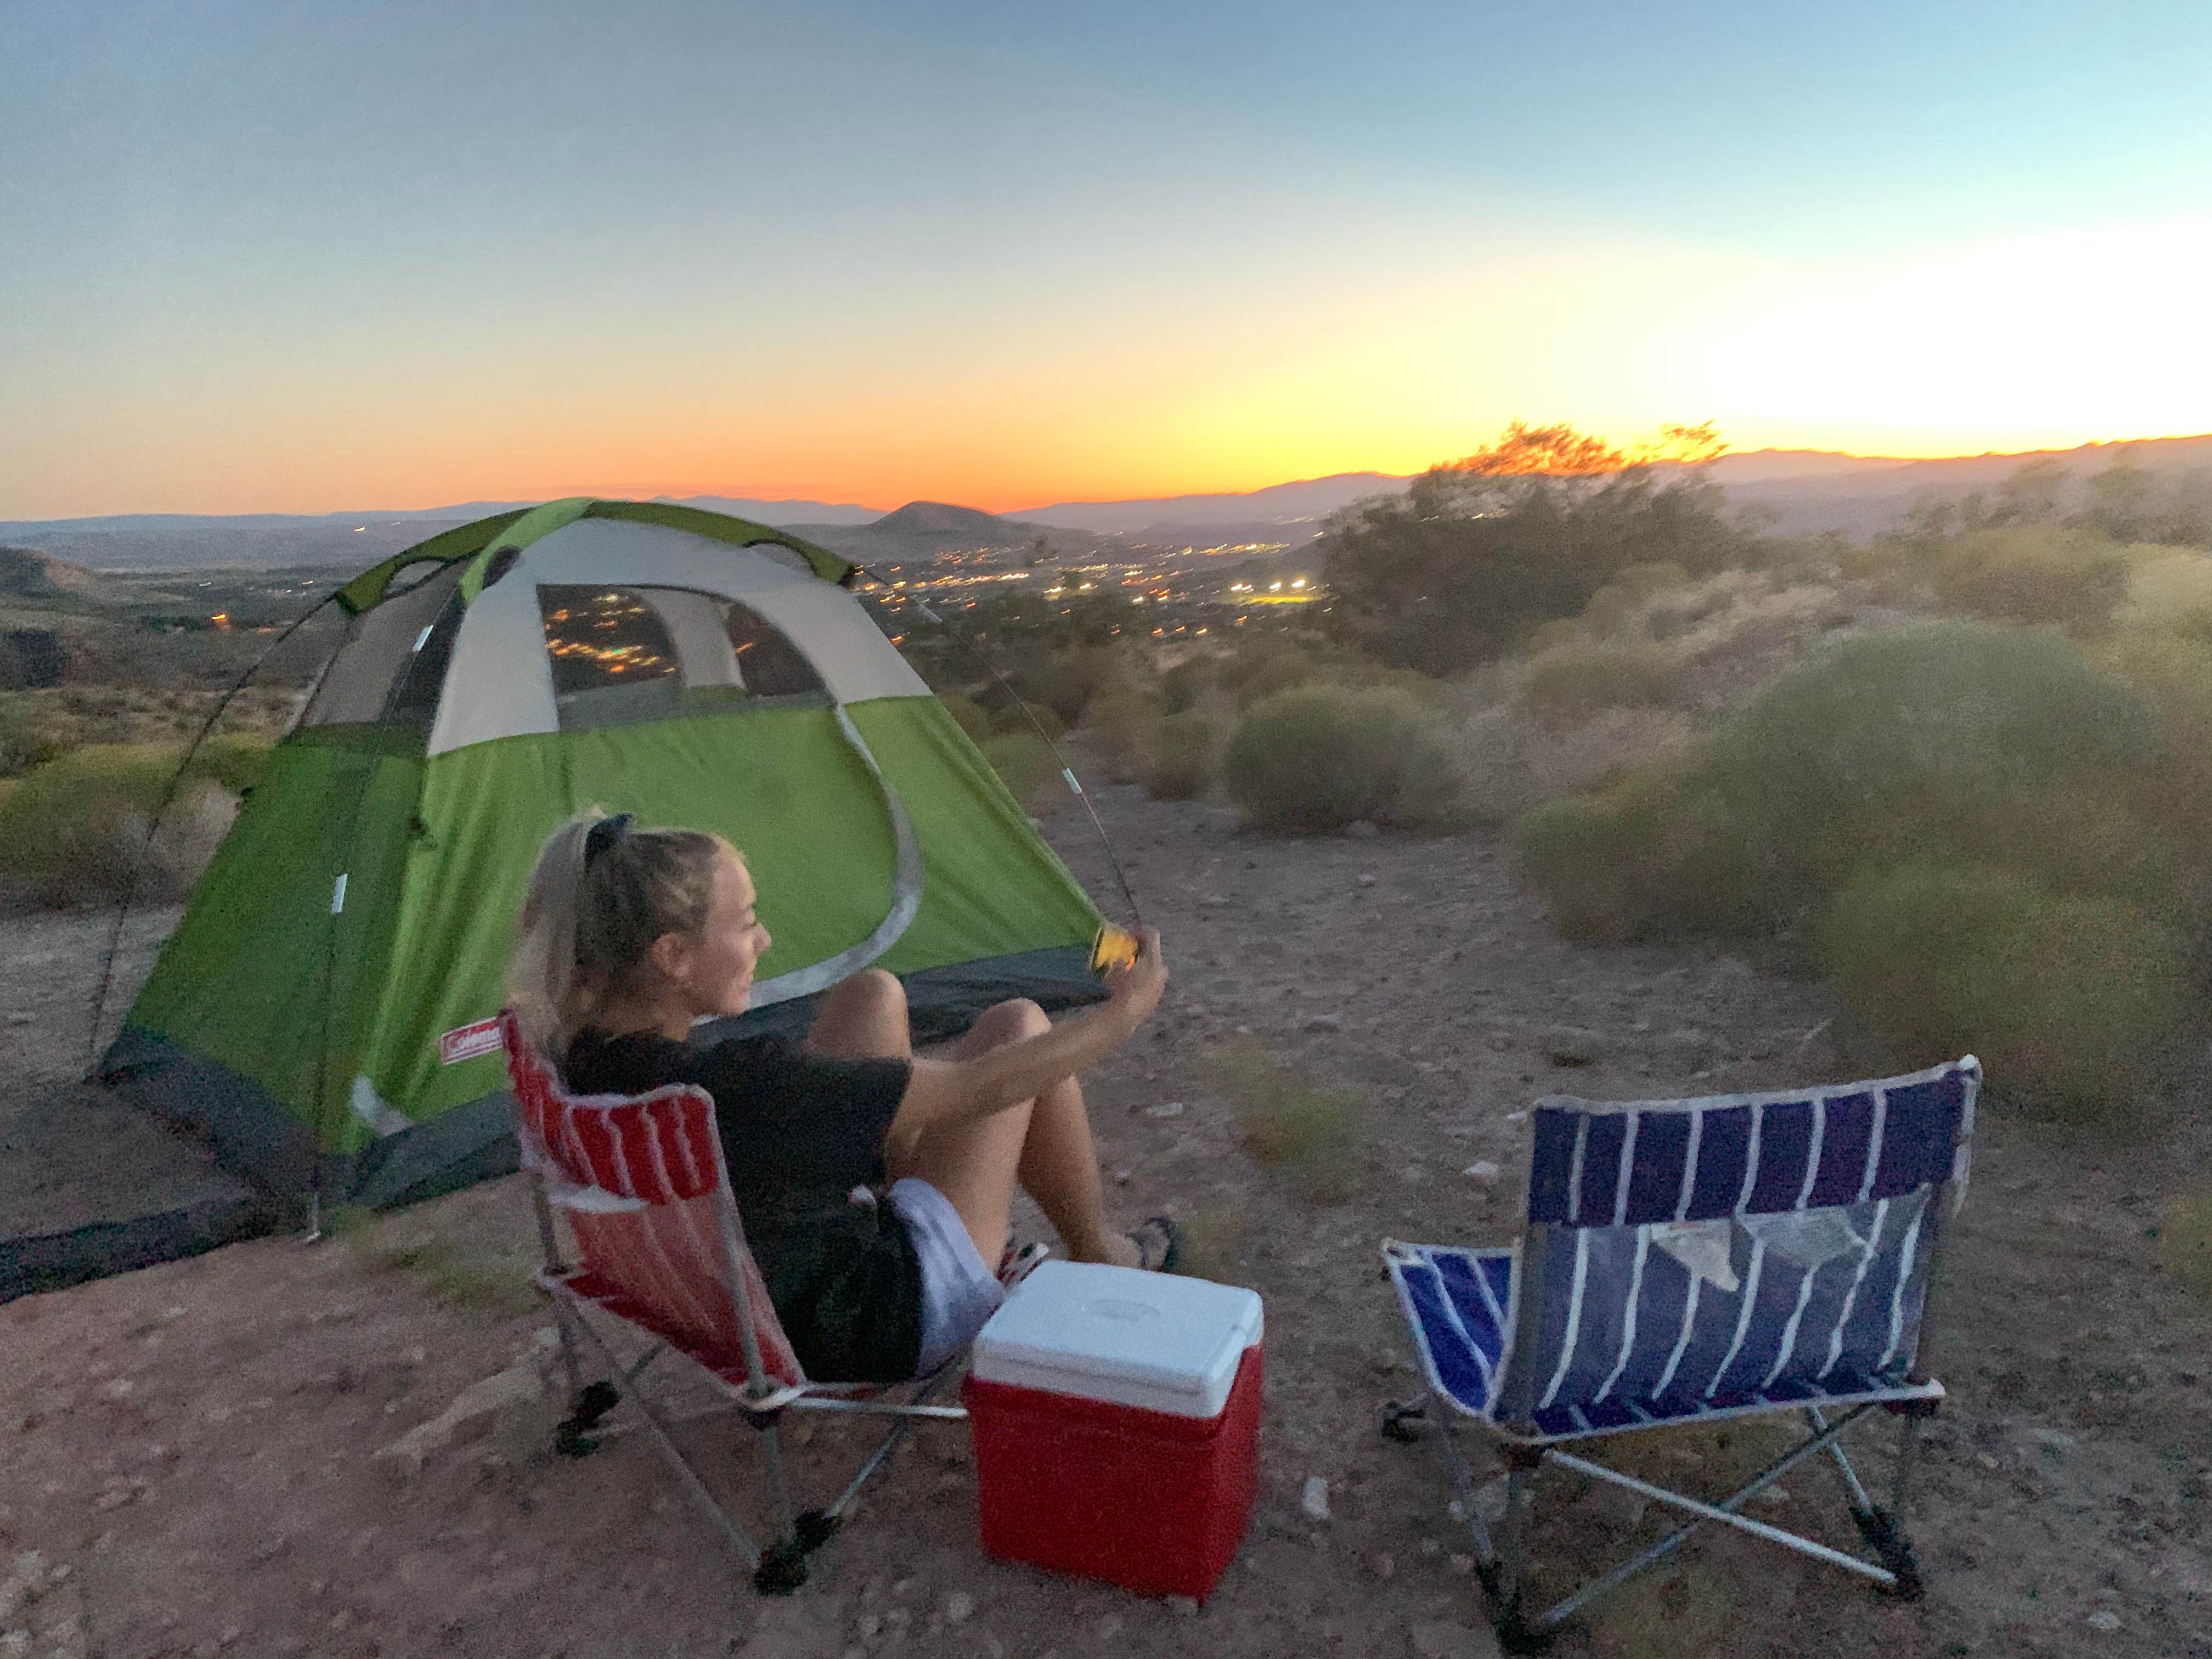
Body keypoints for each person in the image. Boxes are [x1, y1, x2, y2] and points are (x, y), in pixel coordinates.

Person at [506, 811, 1174, 1385]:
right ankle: (1101, 1252)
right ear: (673, 956)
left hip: (752, 1288)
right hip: (881, 1317)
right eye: (746, 923)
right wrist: (1124, 1014)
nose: (764, 940)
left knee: (872, 995)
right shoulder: (737, 1088)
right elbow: (982, 1088)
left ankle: (936, 1192)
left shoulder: (582, 1059)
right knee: (1021, 1028)